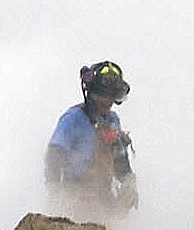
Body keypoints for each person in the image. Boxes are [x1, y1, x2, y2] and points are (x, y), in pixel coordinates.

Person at [45, 61, 138, 219]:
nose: (107, 101)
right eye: (103, 95)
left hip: (103, 199)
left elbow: (119, 157)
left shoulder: (113, 120)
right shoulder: (74, 118)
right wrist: (56, 193)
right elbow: (54, 154)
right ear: (91, 92)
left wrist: (128, 180)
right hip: (75, 196)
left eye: (111, 96)